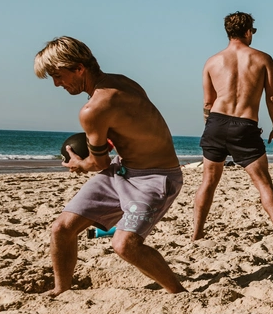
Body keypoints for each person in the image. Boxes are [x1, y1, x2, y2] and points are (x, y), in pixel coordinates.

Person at [34, 37, 186, 296]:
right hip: (122, 170)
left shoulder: (93, 109)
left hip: (156, 178)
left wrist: (79, 164)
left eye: (58, 76)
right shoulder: (123, 82)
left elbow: (98, 163)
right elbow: (134, 130)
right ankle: (62, 289)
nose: (57, 84)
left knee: (125, 244)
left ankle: (179, 293)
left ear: (79, 68)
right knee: (61, 228)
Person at [193, 12, 273, 240]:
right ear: (247, 32)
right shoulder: (263, 59)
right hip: (245, 125)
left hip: (216, 122)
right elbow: (272, 97)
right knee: (263, 182)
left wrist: (212, 127)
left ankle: (196, 233)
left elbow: (208, 102)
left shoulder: (212, 61)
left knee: (208, 182)